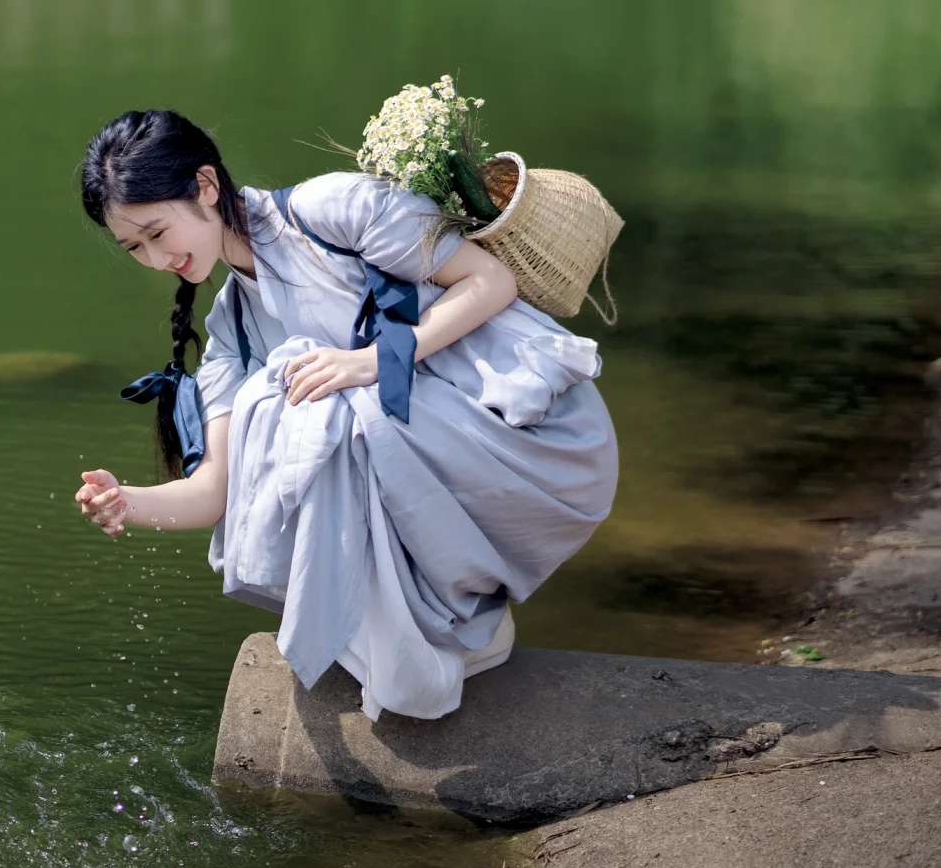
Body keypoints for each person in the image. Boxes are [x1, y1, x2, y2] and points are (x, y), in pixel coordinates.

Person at [73, 109, 618, 720]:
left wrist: (369, 363)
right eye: (134, 247)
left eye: (156, 232)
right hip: (421, 450)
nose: (153, 258)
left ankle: (446, 618)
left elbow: (489, 281)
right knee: (293, 407)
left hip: (522, 431)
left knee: (310, 404)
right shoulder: (231, 328)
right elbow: (214, 491)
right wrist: (129, 502)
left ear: (204, 186)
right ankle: (456, 627)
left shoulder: (331, 210)